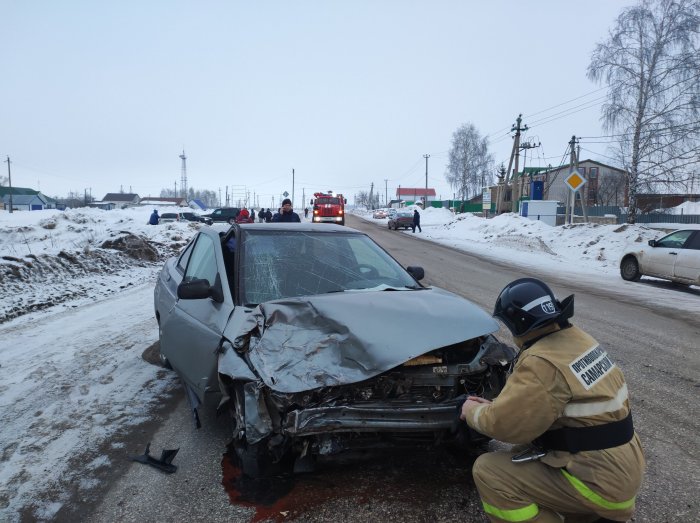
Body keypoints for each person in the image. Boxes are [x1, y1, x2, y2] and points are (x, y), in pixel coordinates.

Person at [460, 278, 645, 523]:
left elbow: (503, 426)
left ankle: (590, 508)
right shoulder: (578, 339)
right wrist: (501, 409)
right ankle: (587, 515)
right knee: (524, 451)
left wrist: (472, 410)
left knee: (489, 470)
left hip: (601, 481)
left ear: (517, 324)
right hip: (622, 465)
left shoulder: (542, 362)